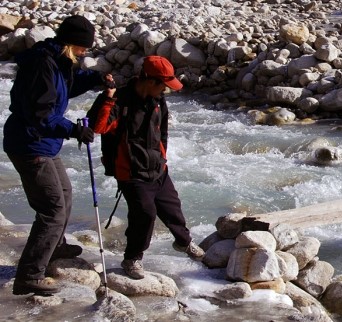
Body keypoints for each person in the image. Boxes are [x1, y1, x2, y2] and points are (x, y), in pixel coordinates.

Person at [3, 15, 113, 296]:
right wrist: (74, 130)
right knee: (52, 209)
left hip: (43, 142)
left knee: (64, 194)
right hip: (31, 142)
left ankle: (54, 247)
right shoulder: (43, 64)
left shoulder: (56, 60)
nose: (85, 52)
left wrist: (95, 79)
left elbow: (66, 86)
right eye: (82, 47)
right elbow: (41, 113)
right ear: (70, 43)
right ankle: (29, 274)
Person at [88, 55, 204, 280]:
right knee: (145, 214)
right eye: (164, 85)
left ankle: (184, 243)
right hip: (130, 171)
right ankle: (132, 258)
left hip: (157, 167)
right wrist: (108, 98)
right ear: (151, 81)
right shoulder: (118, 100)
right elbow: (98, 127)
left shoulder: (158, 101)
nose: (166, 91)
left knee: (172, 208)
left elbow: (163, 134)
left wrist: (162, 159)